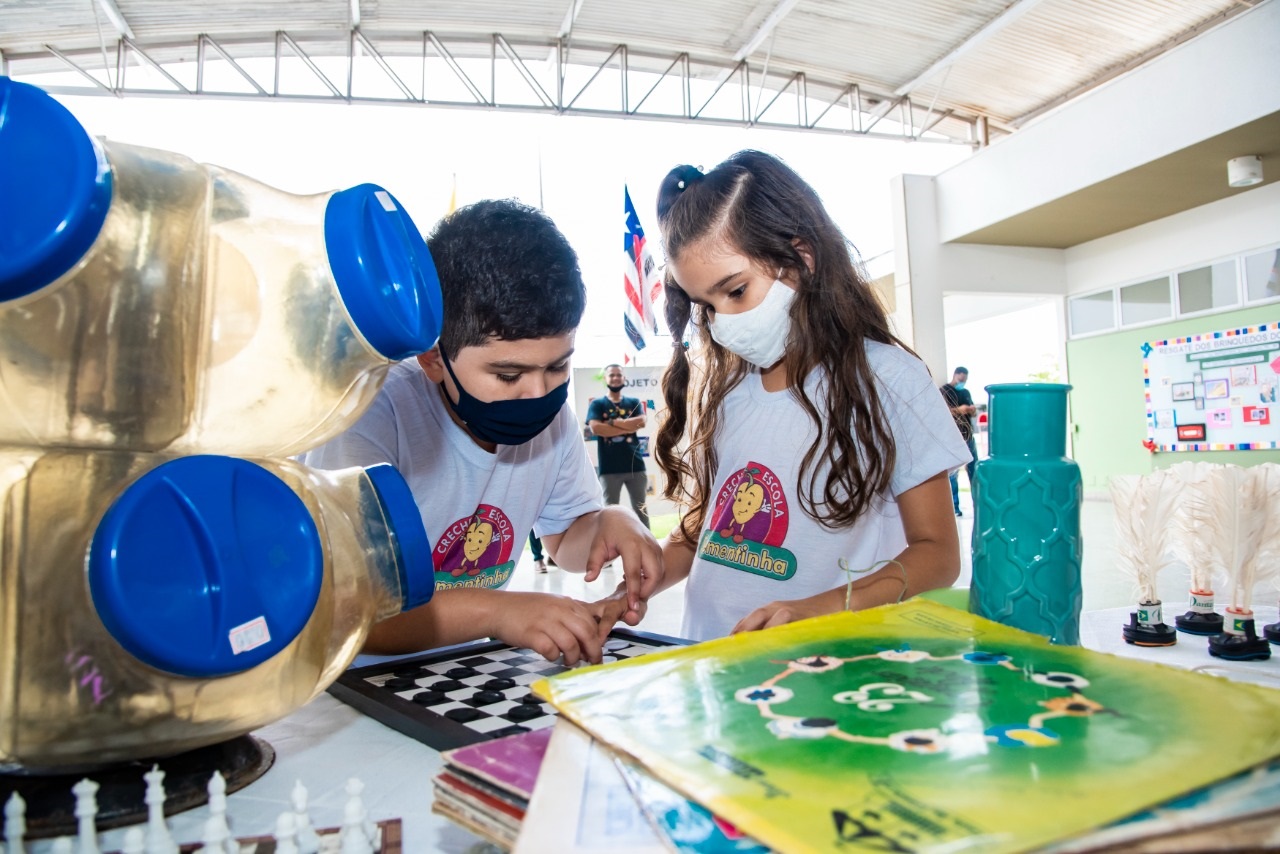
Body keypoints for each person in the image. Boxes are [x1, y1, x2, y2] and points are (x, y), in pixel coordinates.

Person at [302, 200, 662, 664]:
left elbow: (564, 539)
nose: (537, 393)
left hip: (461, 672)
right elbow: (351, 610)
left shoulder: (553, 422)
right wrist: (498, 611)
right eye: (508, 375)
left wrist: (610, 524)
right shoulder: (371, 412)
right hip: (353, 688)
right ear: (434, 356)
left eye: (558, 366)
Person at [646, 150, 971, 642]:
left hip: (820, 669)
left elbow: (937, 554)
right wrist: (648, 575)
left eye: (735, 291)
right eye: (706, 306)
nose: (724, 321)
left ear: (802, 257)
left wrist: (825, 609)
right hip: (706, 658)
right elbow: (711, 526)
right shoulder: (729, 389)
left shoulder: (889, 380)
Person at [585, 364, 651, 530]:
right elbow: (596, 428)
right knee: (610, 512)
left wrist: (613, 423)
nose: (615, 378)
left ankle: (649, 546)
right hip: (609, 468)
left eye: (619, 375)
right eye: (612, 375)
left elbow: (642, 422)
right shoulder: (597, 404)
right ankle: (611, 551)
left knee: (641, 510)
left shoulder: (633, 402)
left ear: (624, 378)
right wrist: (629, 425)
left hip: (635, 465)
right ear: (606, 379)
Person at [940, 367, 978, 516]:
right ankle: (955, 508)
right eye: (961, 379)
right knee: (953, 474)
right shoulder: (944, 391)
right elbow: (943, 411)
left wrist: (972, 410)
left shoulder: (966, 392)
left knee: (973, 471)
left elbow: (973, 413)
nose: (962, 382)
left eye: (965, 380)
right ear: (955, 375)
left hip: (968, 436)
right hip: (953, 437)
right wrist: (959, 410)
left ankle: (977, 505)